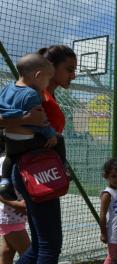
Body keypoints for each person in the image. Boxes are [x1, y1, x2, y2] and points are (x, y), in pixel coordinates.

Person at [11, 44, 77, 263]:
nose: (73, 75)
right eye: (69, 69)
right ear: (51, 67)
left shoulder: (47, 95)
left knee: (40, 245)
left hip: (38, 170)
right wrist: (25, 120)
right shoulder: (37, 94)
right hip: (35, 171)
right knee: (50, 247)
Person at [0, 53, 66, 200]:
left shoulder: (6, 89)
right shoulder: (31, 94)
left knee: (10, 157)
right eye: (48, 79)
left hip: (10, 139)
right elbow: (38, 122)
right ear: (38, 75)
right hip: (27, 140)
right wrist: (50, 134)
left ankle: (5, 182)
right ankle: (63, 169)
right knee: (59, 139)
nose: (48, 83)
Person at [0, 136, 30, 264]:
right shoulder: (4, 161)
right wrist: (17, 205)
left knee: (7, 252)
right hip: (10, 217)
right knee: (30, 255)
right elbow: (2, 191)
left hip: (12, 218)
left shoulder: (19, 160)